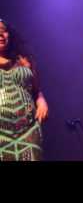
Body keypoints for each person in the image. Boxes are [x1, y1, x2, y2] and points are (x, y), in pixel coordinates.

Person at [0, 18, 48, 161]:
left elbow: (36, 89)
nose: (1, 34)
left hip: (29, 130)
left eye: (3, 30)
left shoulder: (22, 61)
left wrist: (41, 100)